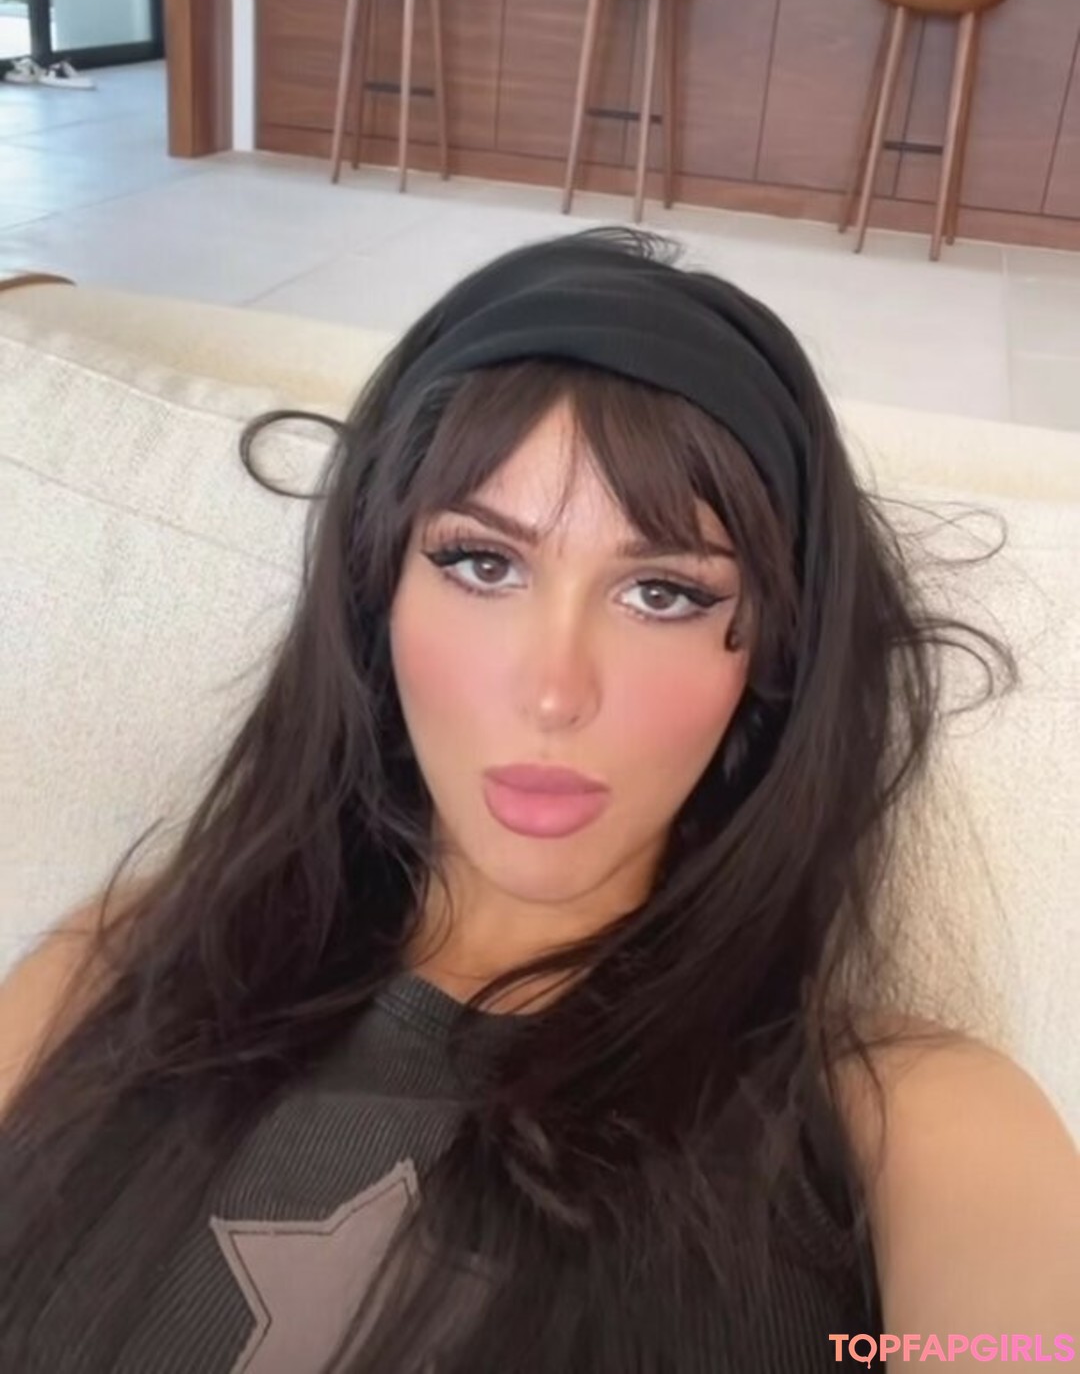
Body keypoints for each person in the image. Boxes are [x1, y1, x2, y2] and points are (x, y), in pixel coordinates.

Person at [0, 227, 1075, 1374]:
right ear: (374, 595)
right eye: (482, 561)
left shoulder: (928, 1126)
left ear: (772, 658)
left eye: (663, 591)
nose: (556, 691)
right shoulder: (116, 965)